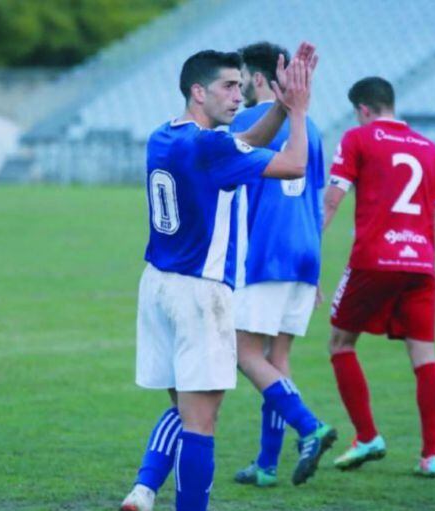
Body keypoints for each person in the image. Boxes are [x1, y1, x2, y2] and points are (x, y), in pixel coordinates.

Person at [119, 43, 318, 511]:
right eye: (227, 87)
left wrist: (282, 108)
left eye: (239, 85)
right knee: (201, 422)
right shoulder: (214, 147)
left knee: (185, 409)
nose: (238, 94)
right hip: (200, 292)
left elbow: (243, 143)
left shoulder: (163, 136)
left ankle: (144, 490)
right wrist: (301, 114)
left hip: (157, 286)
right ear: (197, 91)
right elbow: (294, 165)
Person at [322, 76, 435, 478]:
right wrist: (423, 258)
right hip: (421, 262)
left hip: (374, 259)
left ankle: (367, 435)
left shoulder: (358, 138)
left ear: (362, 108)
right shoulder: (430, 149)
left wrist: (308, 243)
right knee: (424, 355)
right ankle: (431, 455)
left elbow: (334, 198)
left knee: (341, 343)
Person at [227, 41, 336, 489]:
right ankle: (267, 465)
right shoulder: (307, 124)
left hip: (265, 252)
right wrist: (314, 272)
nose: (237, 93)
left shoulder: (243, 123)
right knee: (278, 358)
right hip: (304, 251)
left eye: (240, 82)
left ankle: (309, 427)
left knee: (245, 354)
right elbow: (315, 198)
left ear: (256, 79)